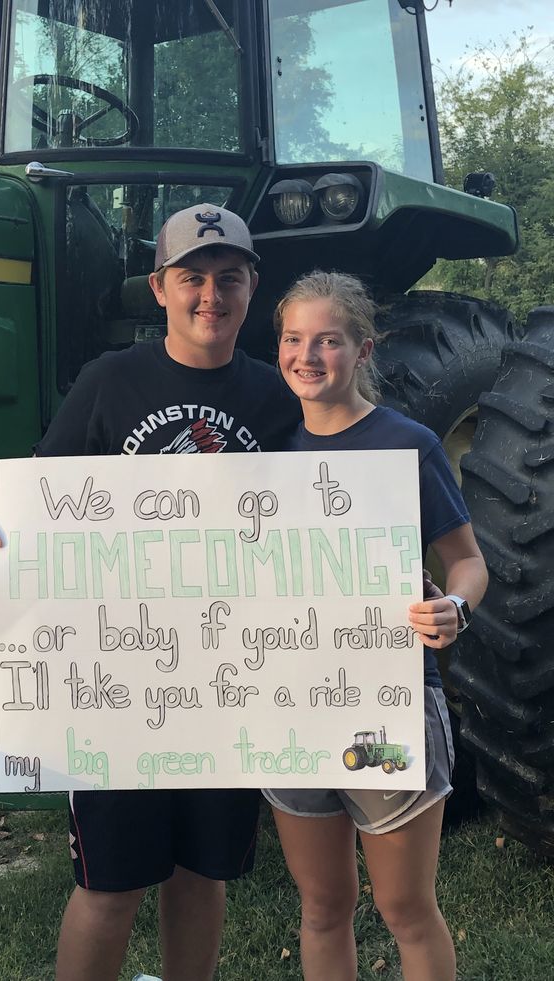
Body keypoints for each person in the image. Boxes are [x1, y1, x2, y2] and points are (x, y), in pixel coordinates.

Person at [0, 204, 301, 981]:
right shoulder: (110, 380)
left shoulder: (277, 397)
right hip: (116, 682)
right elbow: (42, 498)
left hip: (227, 677)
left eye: (229, 278)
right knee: (109, 884)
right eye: (192, 277)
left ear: (254, 287)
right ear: (159, 287)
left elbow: (324, 514)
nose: (210, 295)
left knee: (201, 873)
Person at [265, 270, 488, 981]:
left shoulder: (410, 444)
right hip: (292, 712)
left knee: (405, 908)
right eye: (294, 339)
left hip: (384, 707)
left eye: (328, 340)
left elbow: (468, 562)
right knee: (322, 906)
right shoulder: (265, 455)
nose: (308, 355)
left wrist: (453, 609)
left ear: (364, 350)